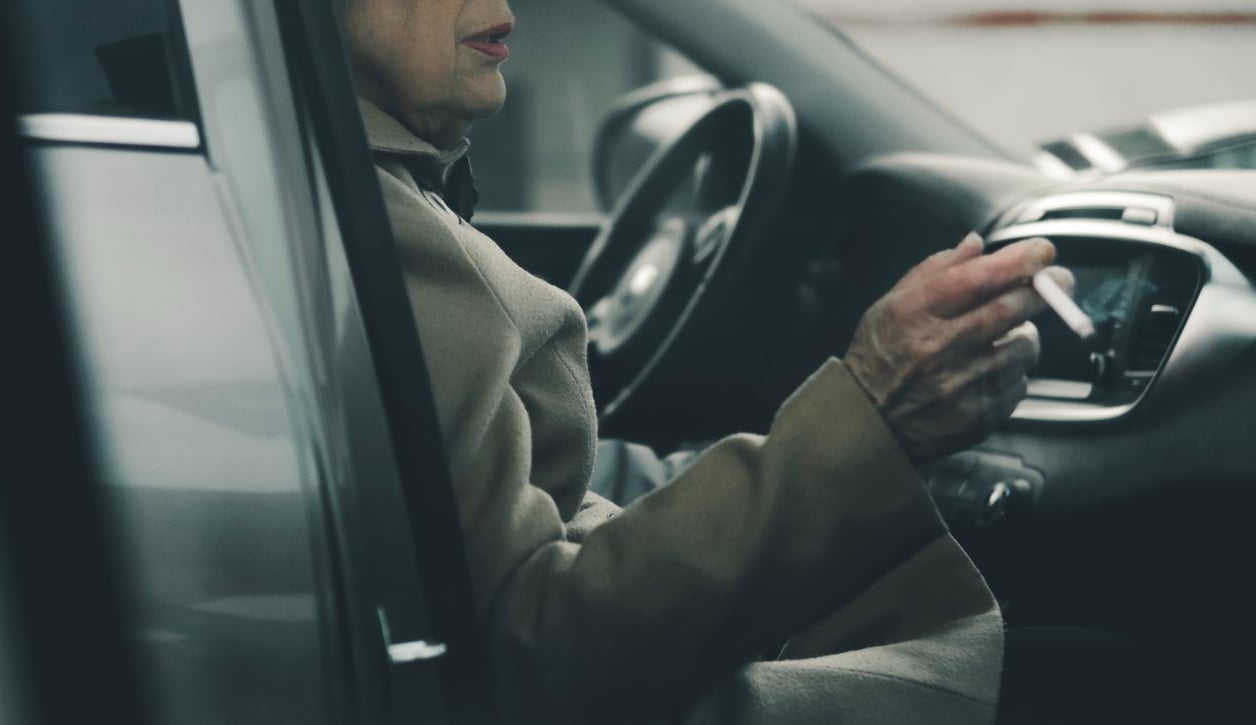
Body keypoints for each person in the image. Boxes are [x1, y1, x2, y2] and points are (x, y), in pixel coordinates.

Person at [335, 1, 1073, 722]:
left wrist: (715, 474)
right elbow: (531, 651)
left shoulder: (360, 192)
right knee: (1088, 668)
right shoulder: (372, 227)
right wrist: (873, 416)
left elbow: (536, 490)